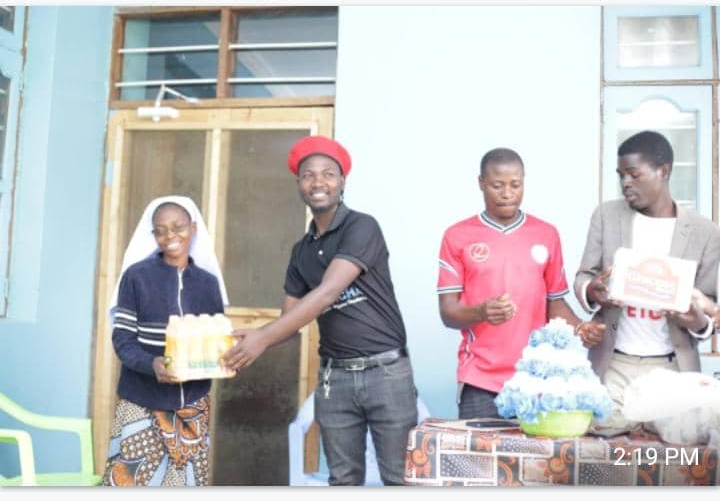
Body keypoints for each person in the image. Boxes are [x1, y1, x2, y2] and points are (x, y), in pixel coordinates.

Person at [223, 135, 418, 486]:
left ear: (342, 182)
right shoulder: (301, 251)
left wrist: (263, 338)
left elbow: (328, 293)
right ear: (299, 184)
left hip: (386, 372)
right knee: (342, 481)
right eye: (308, 175)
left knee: (400, 480)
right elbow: (291, 318)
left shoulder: (362, 226)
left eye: (328, 174)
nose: (318, 182)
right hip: (334, 379)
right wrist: (250, 339)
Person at [437, 148, 602, 419]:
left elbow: (554, 302)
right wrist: (481, 312)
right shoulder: (457, 236)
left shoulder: (546, 234)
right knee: (479, 449)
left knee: (536, 450)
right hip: (480, 379)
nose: (507, 193)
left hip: (535, 378)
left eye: (515, 185)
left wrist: (580, 327)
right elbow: (448, 313)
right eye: (497, 185)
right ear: (481, 183)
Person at [574, 131, 720, 432]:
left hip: (671, 365)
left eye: (634, 174)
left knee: (674, 451)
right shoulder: (606, 216)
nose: (625, 183)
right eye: (621, 176)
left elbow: (709, 307)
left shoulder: (704, 232)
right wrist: (592, 290)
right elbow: (584, 276)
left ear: (663, 171)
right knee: (603, 447)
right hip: (614, 363)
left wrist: (696, 320)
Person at [103, 195, 228, 487]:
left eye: (178, 227)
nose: (170, 236)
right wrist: (152, 364)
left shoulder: (208, 284)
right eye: (160, 230)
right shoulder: (137, 277)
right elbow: (122, 339)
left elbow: (213, 340)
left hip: (193, 405)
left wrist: (226, 354)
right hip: (140, 400)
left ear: (193, 228)